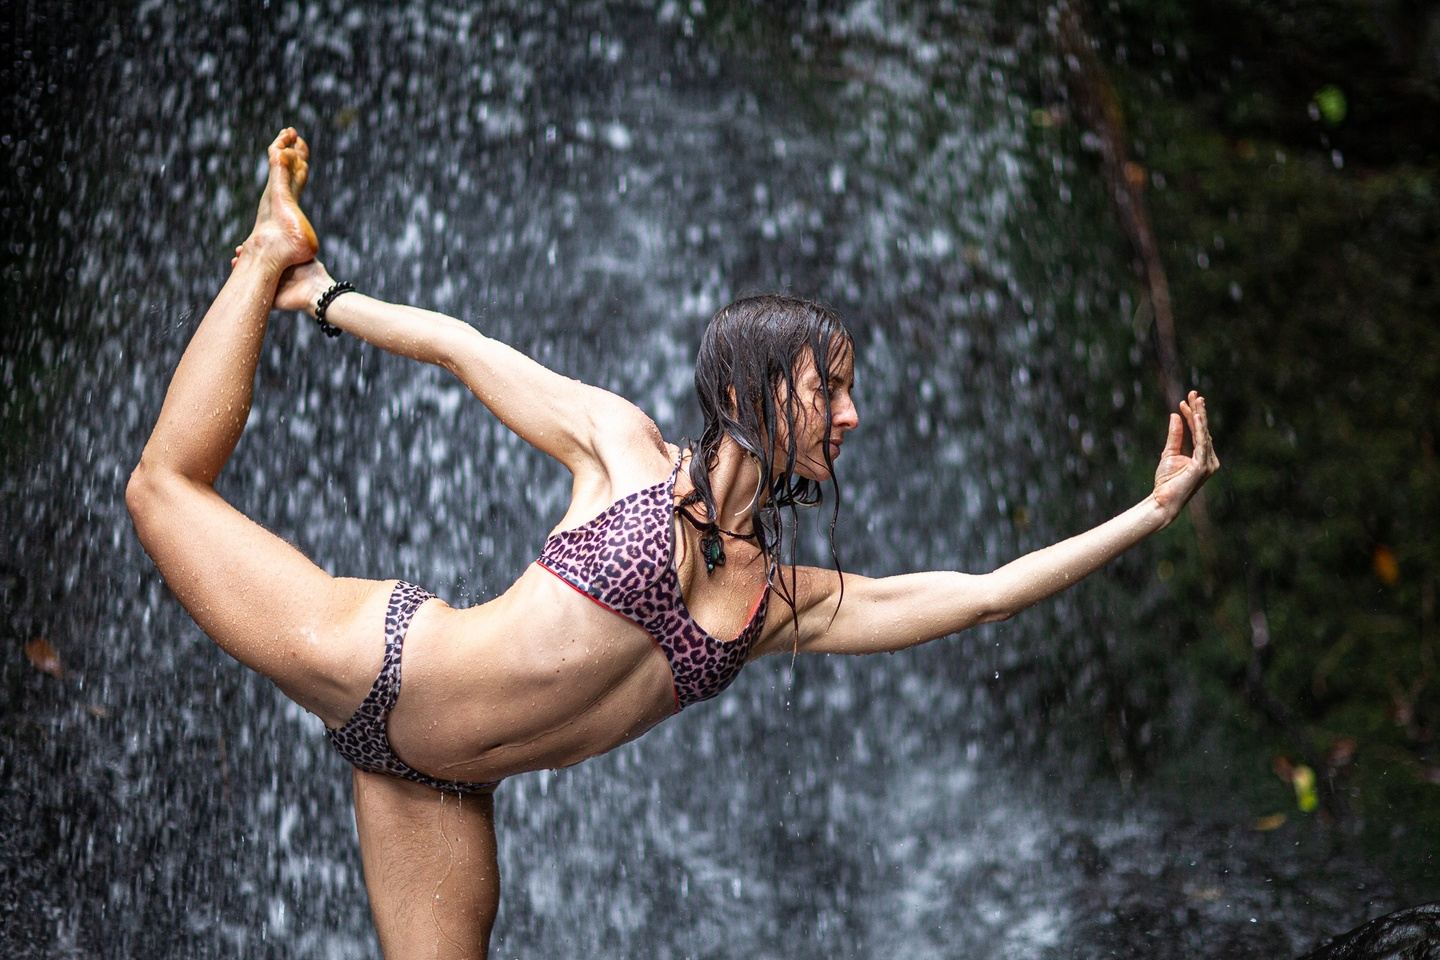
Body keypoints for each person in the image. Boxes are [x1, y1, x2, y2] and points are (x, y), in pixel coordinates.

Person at [126, 128, 1220, 959]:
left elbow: (983, 593)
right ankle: (266, 255)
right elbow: (467, 350)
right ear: (750, 390)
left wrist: (1148, 514)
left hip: (435, 785)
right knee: (161, 488)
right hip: (374, 660)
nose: (851, 415)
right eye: (829, 389)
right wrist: (325, 299)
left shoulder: (781, 602)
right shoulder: (623, 451)